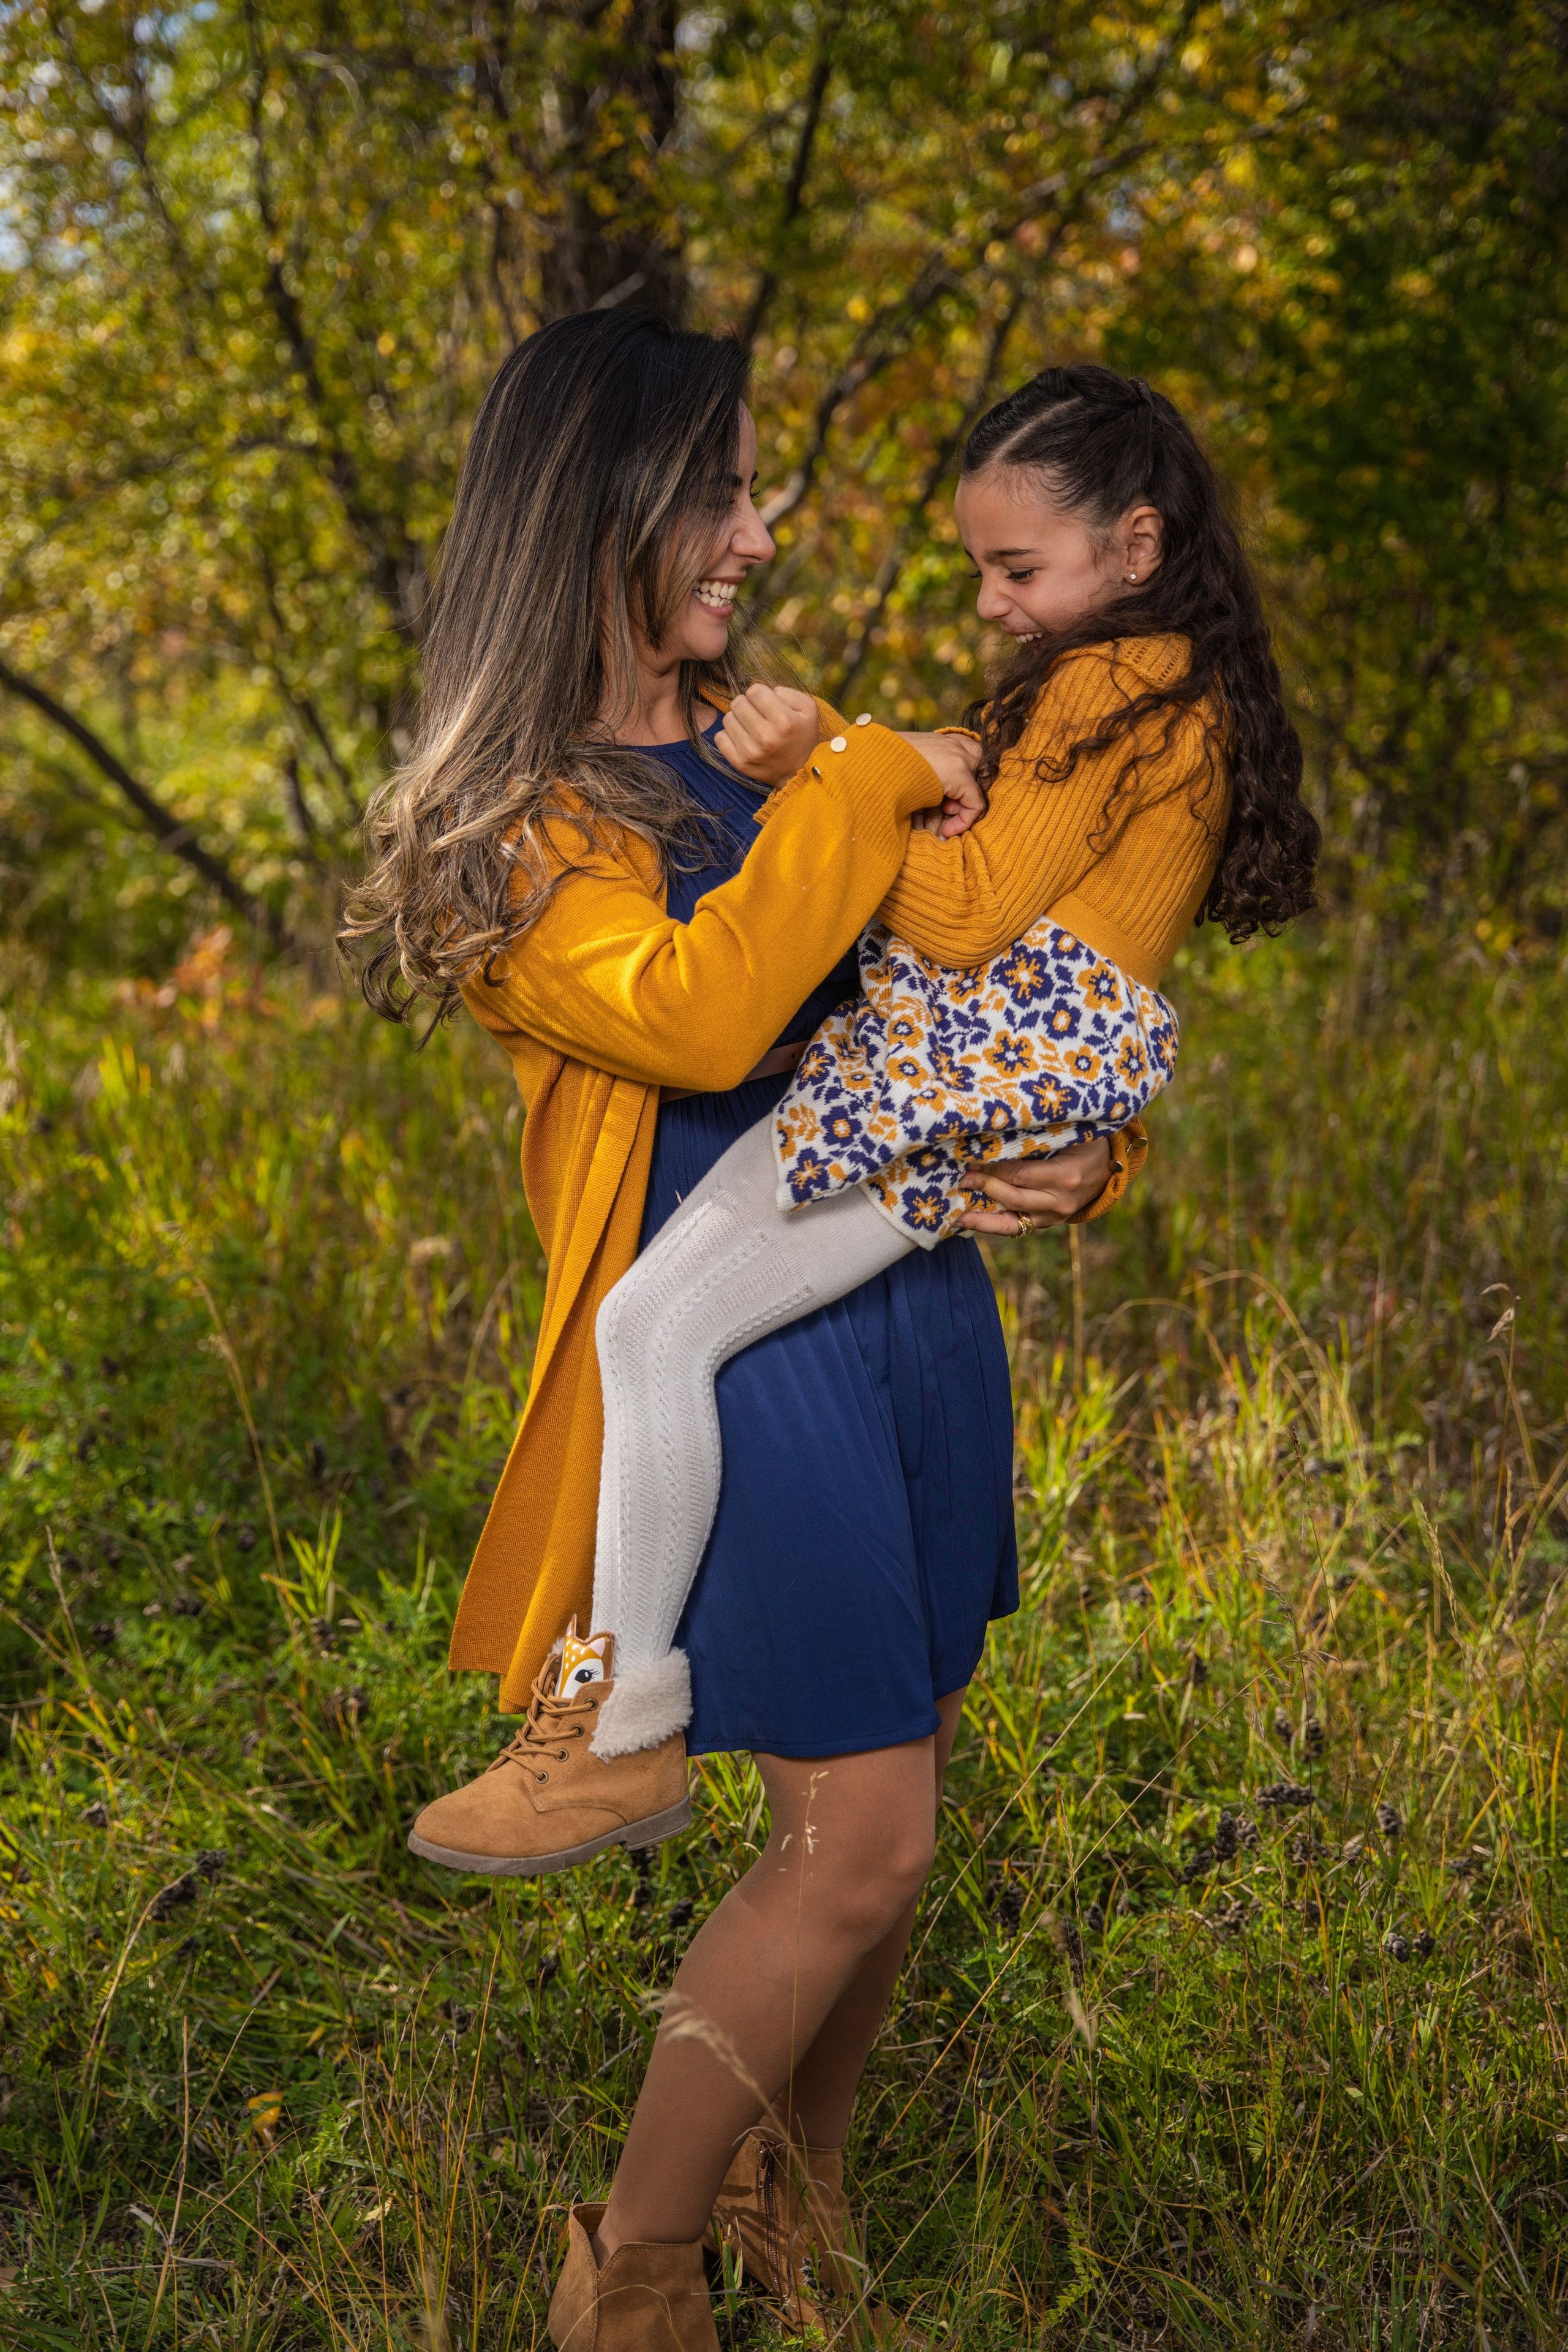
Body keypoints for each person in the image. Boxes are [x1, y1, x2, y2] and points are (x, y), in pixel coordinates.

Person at [344, 314, 1135, 2352]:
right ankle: (636, 2266)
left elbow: (962, 1012)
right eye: (721, 491)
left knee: (904, 1795)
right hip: (736, 1359)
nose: (758, 538)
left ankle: (805, 2196)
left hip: (907, 1308)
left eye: (756, 493)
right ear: (593, 504)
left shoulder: (767, 744)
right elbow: (706, 1015)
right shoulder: (518, 829)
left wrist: (1068, 1165)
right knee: (855, 1839)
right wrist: (862, 781)